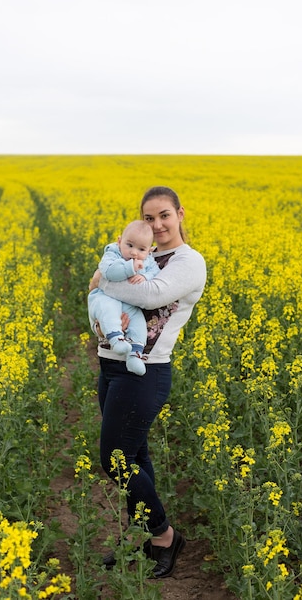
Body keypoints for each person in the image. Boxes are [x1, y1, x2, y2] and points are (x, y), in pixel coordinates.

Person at [89, 186, 207, 578]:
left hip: (147, 370)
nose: (156, 225)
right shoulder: (143, 254)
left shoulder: (188, 263)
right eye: (149, 217)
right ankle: (146, 535)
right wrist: (100, 313)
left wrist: (99, 282)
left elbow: (151, 296)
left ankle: (165, 534)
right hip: (110, 363)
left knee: (115, 459)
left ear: (180, 214)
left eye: (164, 216)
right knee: (135, 456)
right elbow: (98, 312)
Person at [88, 220, 160, 376]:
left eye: (141, 249)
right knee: (110, 310)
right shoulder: (112, 253)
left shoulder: (147, 260)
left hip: (127, 304)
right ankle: (116, 340)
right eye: (130, 245)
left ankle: (135, 355)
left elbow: (154, 271)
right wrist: (130, 268)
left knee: (138, 322)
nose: (134, 253)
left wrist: (146, 276)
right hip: (104, 297)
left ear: (148, 251)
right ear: (119, 241)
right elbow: (108, 273)